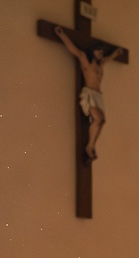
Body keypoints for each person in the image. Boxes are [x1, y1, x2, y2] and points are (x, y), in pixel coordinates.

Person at [54, 26, 122, 161]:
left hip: (99, 95)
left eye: (102, 52)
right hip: (89, 94)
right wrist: (62, 35)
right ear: (93, 51)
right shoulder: (86, 61)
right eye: (99, 51)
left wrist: (115, 54)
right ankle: (89, 146)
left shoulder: (100, 64)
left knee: (102, 121)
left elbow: (108, 59)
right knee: (98, 119)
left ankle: (91, 145)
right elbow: (74, 50)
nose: (101, 54)